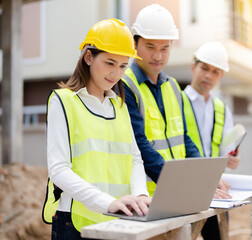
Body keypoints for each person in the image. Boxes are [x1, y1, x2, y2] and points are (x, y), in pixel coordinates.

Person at [42, 19, 151, 240]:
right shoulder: (63, 101)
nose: (116, 73)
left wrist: (140, 194)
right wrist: (107, 203)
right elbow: (59, 170)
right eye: (110, 63)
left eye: (123, 66)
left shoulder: (119, 106)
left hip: (118, 219)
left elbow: (134, 159)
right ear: (88, 57)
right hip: (75, 222)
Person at [121, 4, 206, 196]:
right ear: (134, 45)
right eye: (150, 47)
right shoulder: (124, 85)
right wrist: (178, 184)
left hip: (175, 191)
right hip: (145, 197)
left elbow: (183, 137)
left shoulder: (173, 86)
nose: (158, 56)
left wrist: (203, 177)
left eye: (165, 48)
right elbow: (138, 144)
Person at [182, 41, 241, 240]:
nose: (209, 75)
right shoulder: (177, 102)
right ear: (193, 67)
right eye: (204, 68)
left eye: (215, 71)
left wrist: (232, 158)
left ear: (221, 76)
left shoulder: (222, 109)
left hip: (216, 189)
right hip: (185, 186)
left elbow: (227, 149)